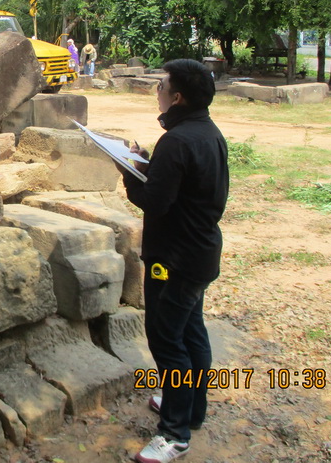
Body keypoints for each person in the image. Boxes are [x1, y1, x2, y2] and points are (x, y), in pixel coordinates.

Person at [117, 59, 229, 463]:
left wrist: (128, 170)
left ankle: (175, 434)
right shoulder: (207, 132)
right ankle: (191, 408)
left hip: (174, 258)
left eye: (161, 86)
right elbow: (181, 186)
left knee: (167, 339)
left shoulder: (178, 141)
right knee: (191, 331)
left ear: (177, 97)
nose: (158, 92)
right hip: (200, 253)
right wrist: (149, 164)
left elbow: (154, 201)